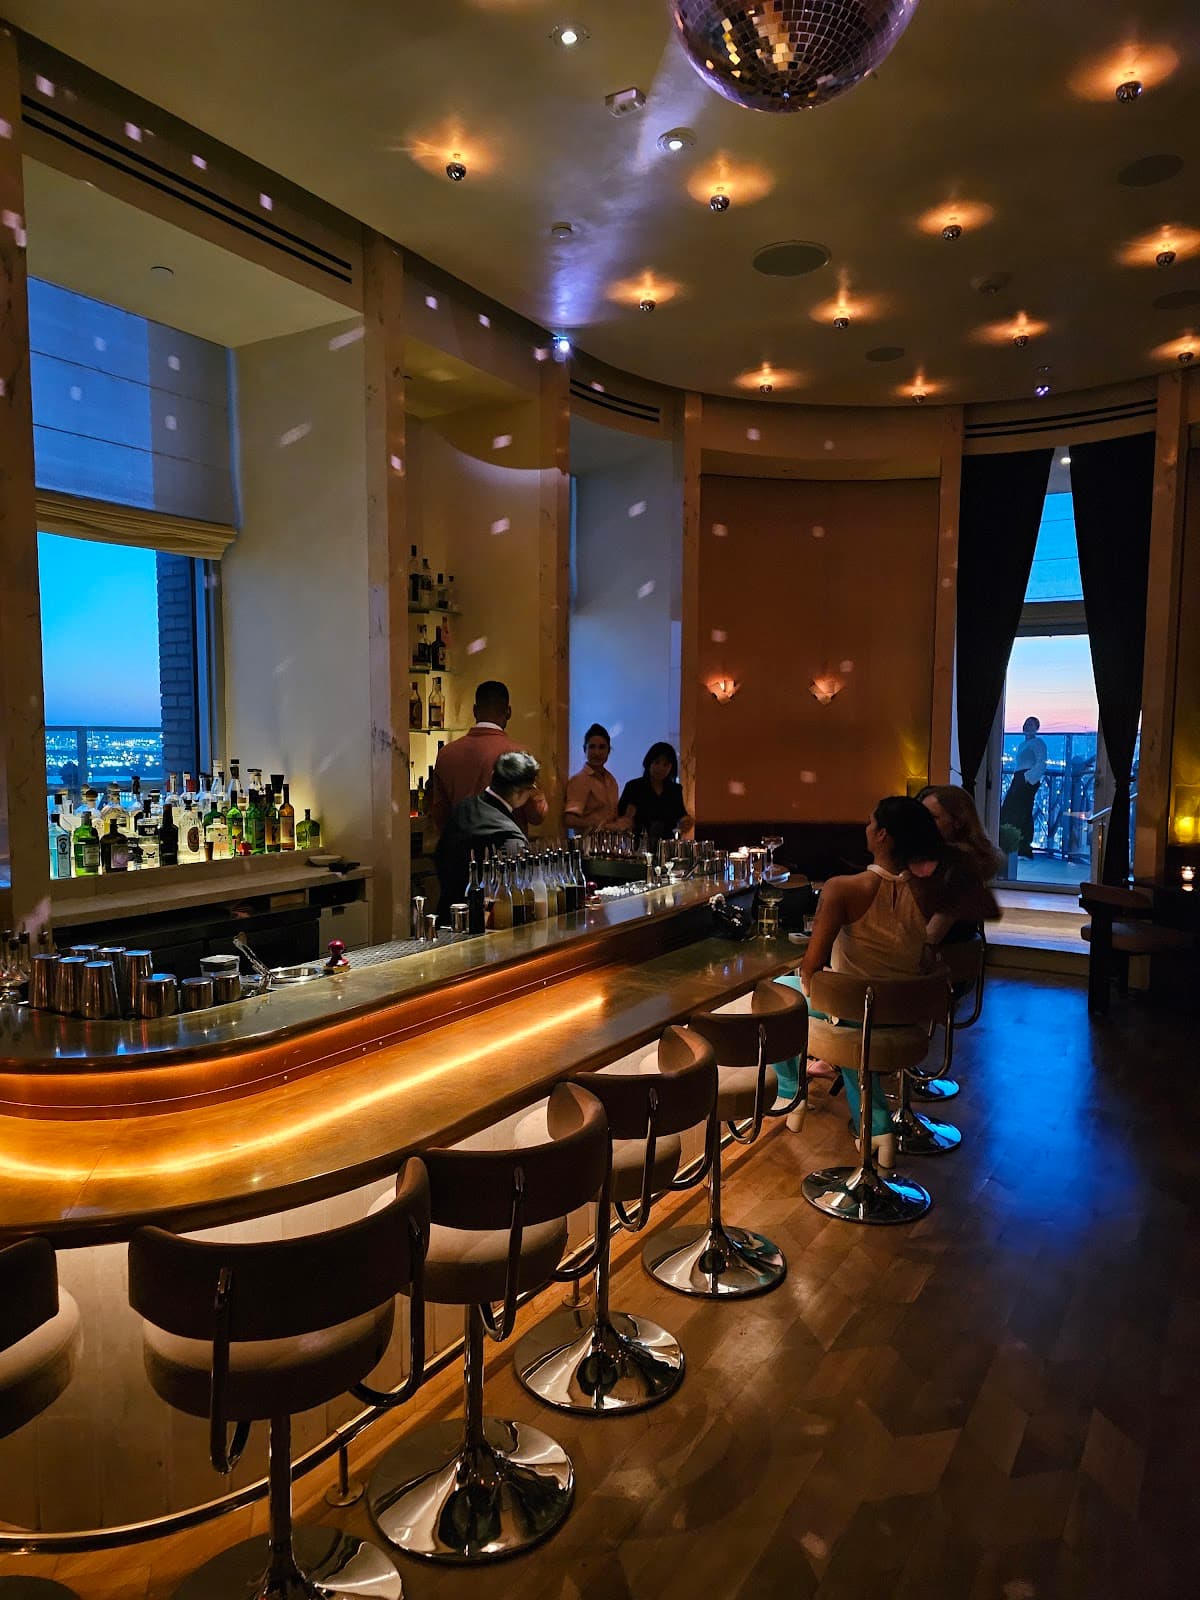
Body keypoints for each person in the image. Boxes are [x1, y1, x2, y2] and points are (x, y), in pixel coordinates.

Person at [793, 796, 944, 1168]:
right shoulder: (931, 891)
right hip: (910, 1016)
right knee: (848, 1006)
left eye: (870, 823)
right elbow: (927, 957)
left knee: (779, 996)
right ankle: (876, 1129)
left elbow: (811, 966)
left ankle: (789, 1093)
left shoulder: (843, 888)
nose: (865, 828)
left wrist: (810, 980)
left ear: (883, 836)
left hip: (858, 1013)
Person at [429, 680, 548, 835]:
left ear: (474, 710)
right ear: (508, 711)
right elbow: (536, 816)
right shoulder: (521, 755)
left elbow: (440, 815)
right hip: (506, 853)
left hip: (461, 852)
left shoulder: (446, 754)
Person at [434, 750, 539, 922]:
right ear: (522, 792)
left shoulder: (464, 808)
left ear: (493, 776)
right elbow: (517, 893)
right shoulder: (509, 837)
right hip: (484, 925)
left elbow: (440, 856)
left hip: (447, 915)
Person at [916, 784, 1002, 943]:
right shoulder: (930, 858)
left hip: (944, 959)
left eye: (933, 818)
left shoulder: (961, 866)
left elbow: (932, 936)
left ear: (958, 822)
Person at [617, 741, 692, 846]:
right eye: (657, 762)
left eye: (666, 764)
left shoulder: (674, 789)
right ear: (649, 763)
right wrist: (627, 818)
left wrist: (686, 821)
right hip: (638, 846)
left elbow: (681, 814)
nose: (661, 768)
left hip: (667, 846)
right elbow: (621, 816)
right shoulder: (634, 786)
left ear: (671, 767)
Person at [999, 716, 1047, 858]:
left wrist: (1028, 778)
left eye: (1031, 724)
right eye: (1026, 723)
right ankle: (1014, 843)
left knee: (1023, 810)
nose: (1027, 726)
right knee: (1012, 808)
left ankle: (1023, 844)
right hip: (1019, 778)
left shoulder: (1038, 743)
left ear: (1036, 728)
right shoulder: (1022, 745)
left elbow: (1041, 763)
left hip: (1027, 779)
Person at [563, 724, 621, 834]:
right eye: (592, 747)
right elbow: (569, 820)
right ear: (585, 749)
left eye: (602, 747)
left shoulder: (611, 780)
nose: (597, 753)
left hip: (609, 846)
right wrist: (597, 825)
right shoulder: (580, 780)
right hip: (587, 847)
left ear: (609, 751)